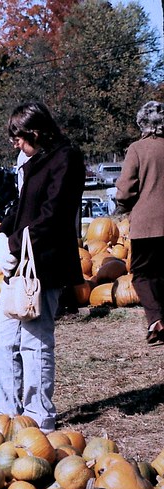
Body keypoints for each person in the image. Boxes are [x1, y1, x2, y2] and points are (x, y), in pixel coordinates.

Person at [0, 101, 85, 433]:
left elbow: (54, 215)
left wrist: (15, 244)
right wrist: (0, 236)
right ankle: (6, 413)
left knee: (34, 340)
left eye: (18, 138)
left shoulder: (66, 158)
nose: (15, 144)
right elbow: (21, 208)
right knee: (1, 340)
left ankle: (38, 415)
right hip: (19, 266)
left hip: (46, 263)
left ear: (35, 131)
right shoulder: (34, 160)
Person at [113, 100, 164, 347]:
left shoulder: (137, 149)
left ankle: (156, 321)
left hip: (146, 225)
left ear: (143, 124)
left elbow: (125, 191)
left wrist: (122, 206)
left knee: (142, 275)